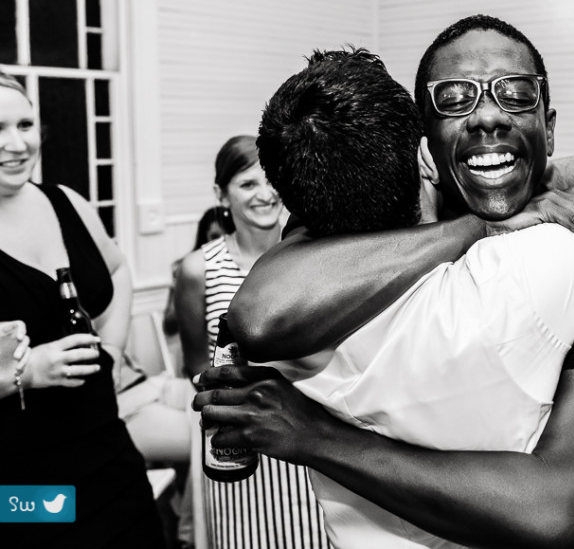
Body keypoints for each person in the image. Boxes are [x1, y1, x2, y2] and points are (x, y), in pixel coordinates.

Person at [199, 16, 574, 548]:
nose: (489, 116)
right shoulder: (334, 264)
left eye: (516, 95)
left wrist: (312, 434)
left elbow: (560, 508)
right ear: (424, 146)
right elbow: (258, 315)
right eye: (455, 99)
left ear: (550, 122)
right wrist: (483, 220)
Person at [0, 71, 165, 547]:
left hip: (108, 454)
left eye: (25, 125)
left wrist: (111, 349)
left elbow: (115, 270)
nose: (16, 143)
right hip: (22, 479)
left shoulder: (65, 201)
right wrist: (26, 373)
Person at [172, 135, 330, 549]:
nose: (266, 194)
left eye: (272, 180)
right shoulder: (197, 270)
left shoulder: (314, 255)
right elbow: (195, 368)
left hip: (306, 438)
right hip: (237, 449)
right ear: (221, 195)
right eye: (247, 184)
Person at [162, 206, 224, 337]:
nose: (221, 243)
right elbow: (169, 326)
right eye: (215, 237)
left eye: (227, 236)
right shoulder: (189, 269)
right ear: (204, 237)